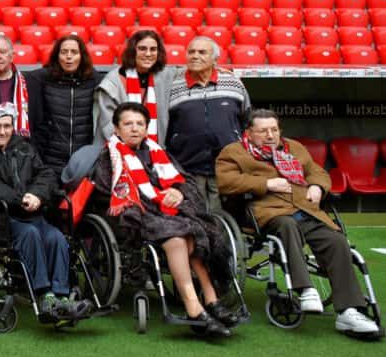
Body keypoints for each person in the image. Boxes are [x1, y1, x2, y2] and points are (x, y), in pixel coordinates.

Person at [216, 109, 380, 338]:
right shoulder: (233, 152)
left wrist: (317, 187)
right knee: (286, 226)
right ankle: (305, 289)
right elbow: (226, 182)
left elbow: (317, 172)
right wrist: (266, 183)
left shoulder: (294, 147)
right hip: (267, 212)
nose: (270, 135)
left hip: (306, 209)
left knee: (335, 240)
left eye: (274, 129)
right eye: (263, 131)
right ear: (249, 133)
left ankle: (349, 311)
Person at [92, 102, 239, 337]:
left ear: (147, 128)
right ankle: (194, 307)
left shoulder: (157, 151)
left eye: (140, 124)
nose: (135, 128)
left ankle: (212, 301)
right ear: (117, 130)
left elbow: (184, 180)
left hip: (172, 212)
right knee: (179, 239)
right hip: (137, 215)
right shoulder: (109, 158)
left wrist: (178, 192)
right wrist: (149, 200)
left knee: (198, 235)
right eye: (128, 124)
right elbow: (107, 193)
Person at [0, 104, 90, 321]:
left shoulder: (23, 146)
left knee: (56, 237)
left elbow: (45, 173)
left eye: (7, 126)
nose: (3, 131)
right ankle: (44, 294)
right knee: (30, 235)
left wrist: (36, 194)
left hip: (29, 211)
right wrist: (18, 198)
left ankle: (62, 296)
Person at [165, 36, 250, 213]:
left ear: (215, 59)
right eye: (191, 52)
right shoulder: (172, 86)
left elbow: (246, 118)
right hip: (188, 165)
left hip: (227, 165)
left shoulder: (233, 82)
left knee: (227, 215)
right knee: (197, 214)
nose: (195, 56)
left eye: (202, 52)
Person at [26, 35, 103, 174]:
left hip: (84, 160)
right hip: (49, 159)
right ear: (57, 56)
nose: (69, 56)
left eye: (74, 52)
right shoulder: (40, 78)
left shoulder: (95, 80)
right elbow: (8, 76)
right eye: (64, 52)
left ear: (82, 56)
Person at [94, 29, 177, 143]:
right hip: (116, 149)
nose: (148, 54)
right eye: (142, 49)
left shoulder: (166, 76)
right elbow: (108, 124)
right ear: (133, 51)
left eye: (153, 49)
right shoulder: (114, 81)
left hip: (155, 150)